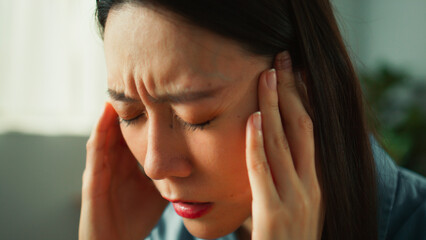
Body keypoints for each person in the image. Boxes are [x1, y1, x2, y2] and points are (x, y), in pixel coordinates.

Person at [79, 0, 426, 239]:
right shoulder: (163, 231)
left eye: (196, 117)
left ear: (302, 88)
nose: (155, 165)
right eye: (132, 114)